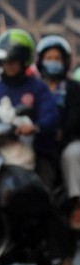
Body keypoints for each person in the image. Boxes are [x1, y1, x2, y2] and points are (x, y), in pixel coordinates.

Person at [0, 29, 59, 185]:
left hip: (36, 150)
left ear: (23, 61)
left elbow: (51, 116)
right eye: (4, 62)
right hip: (0, 148)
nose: (7, 66)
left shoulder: (38, 88)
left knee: (39, 189)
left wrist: (35, 127)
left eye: (12, 61)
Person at [36, 35, 80, 233]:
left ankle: (76, 204)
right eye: (49, 58)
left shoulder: (73, 89)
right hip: (40, 139)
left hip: (68, 140)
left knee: (71, 155)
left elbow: (75, 117)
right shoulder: (36, 88)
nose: (53, 62)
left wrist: (62, 132)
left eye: (57, 58)